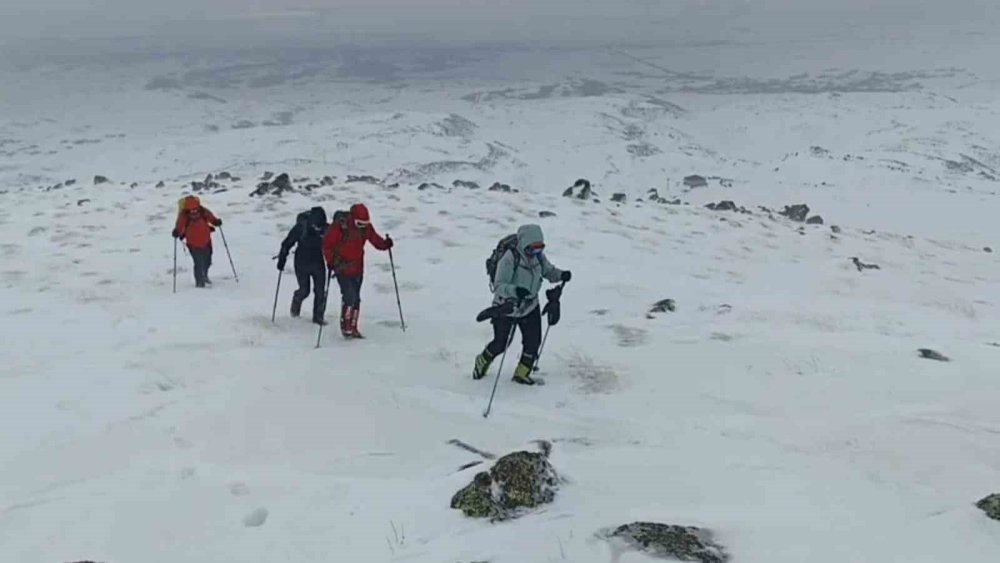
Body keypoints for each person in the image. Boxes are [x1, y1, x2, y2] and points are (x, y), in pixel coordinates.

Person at [473, 224, 571, 385]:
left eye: (540, 248)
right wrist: (515, 291)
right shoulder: (510, 258)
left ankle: (522, 374)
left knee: (533, 342)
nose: (536, 252)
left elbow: (548, 271)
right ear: (525, 244)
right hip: (507, 307)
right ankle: (483, 360)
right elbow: (499, 286)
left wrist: (561, 275)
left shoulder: (538, 257)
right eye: (532, 249)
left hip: (530, 305)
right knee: (501, 343)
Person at [322, 203, 393, 338]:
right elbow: (327, 245)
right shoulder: (339, 227)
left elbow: (375, 240)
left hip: (358, 268)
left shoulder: (365, 228)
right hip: (341, 267)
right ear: (352, 219)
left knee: (356, 298)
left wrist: (385, 244)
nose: (363, 226)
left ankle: (353, 326)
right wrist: (330, 262)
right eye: (360, 223)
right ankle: (346, 326)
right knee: (349, 296)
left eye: (366, 223)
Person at [277, 207, 329, 325]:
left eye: (321, 227)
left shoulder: (326, 229)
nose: (319, 229)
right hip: (302, 262)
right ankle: (296, 303)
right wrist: (282, 259)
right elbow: (287, 244)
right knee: (305, 290)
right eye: (316, 227)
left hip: (318, 262)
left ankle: (318, 317)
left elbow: (334, 245)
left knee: (320, 291)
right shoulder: (301, 227)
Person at [172, 195, 222, 288]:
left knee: (208, 261)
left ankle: (204, 276)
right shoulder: (184, 216)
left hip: (206, 241)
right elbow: (180, 226)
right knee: (198, 263)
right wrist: (177, 232)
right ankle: (200, 283)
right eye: (191, 209)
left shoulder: (203, 211)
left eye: (195, 208)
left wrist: (216, 222)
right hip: (193, 244)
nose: (194, 211)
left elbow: (211, 218)